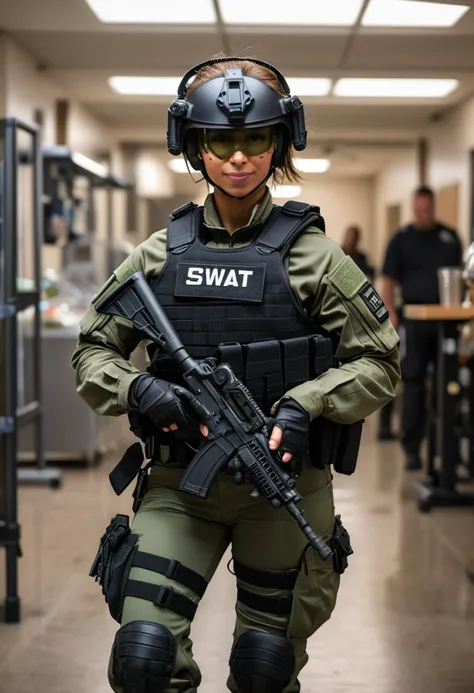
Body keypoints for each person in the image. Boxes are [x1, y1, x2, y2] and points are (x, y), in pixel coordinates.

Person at [72, 57, 400, 693]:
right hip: (177, 485)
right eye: (222, 141)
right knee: (143, 660)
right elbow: (92, 350)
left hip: (282, 486)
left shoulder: (317, 258)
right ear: (195, 146)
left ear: (278, 143)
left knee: (262, 670)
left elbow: (379, 362)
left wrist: (307, 403)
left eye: (255, 140)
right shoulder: (159, 255)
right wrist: (137, 386)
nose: (239, 157)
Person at [381, 186, 462, 470]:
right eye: (419, 209)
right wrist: (390, 313)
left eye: (427, 209)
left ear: (433, 207)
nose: (423, 213)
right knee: (413, 383)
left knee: (447, 383)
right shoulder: (401, 239)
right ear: (413, 208)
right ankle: (412, 447)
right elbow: (388, 279)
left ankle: (444, 445)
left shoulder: (449, 238)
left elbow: (461, 278)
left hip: (446, 321)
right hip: (414, 321)